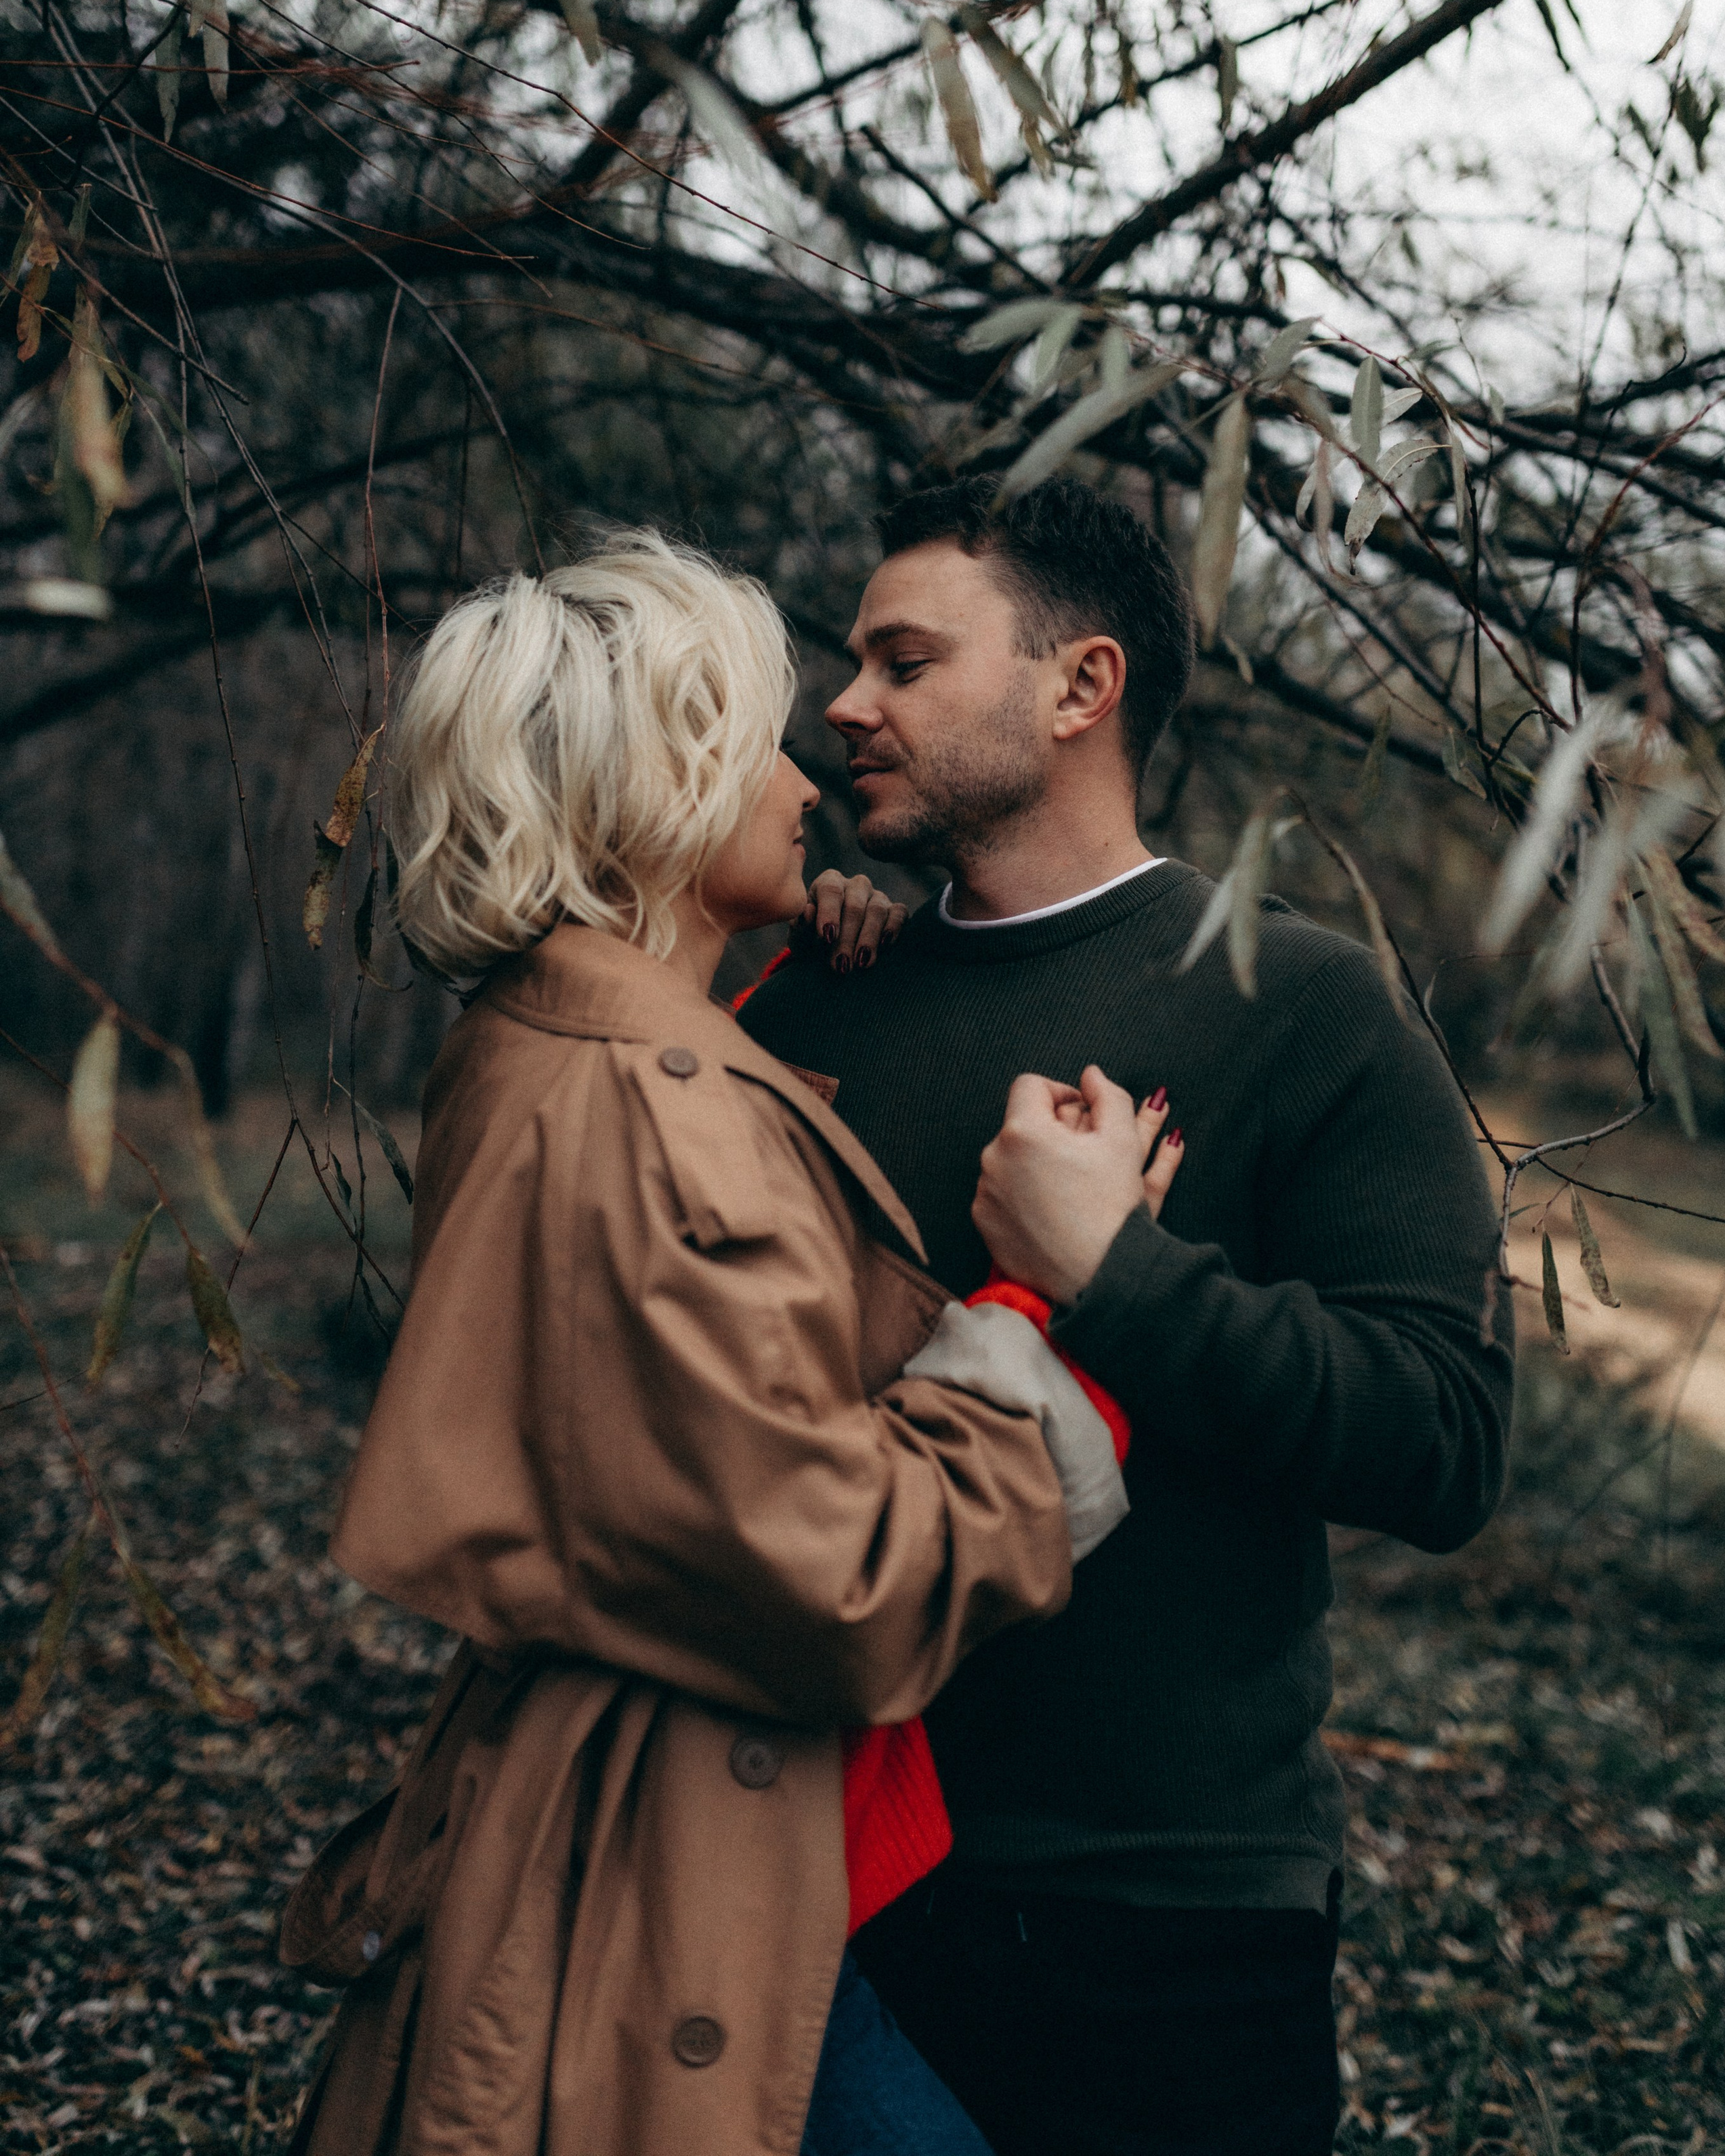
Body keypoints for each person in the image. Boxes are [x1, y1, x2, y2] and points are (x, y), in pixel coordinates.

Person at [277, 530, 1168, 2156]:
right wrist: (1041, 1300)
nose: (804, 766)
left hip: (643, 1818)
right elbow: (834, 1575)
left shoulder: (559, 1039)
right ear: (661, 785)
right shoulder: (643, 1103)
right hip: (667, 1839)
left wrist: (762, 989)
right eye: (752, 736)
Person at [738, 474, 1516, 2156]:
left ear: (1080, 688)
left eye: (901, 661)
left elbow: (1445, 1443)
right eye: (850, 663)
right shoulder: (800, 988)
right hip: (812, 1879)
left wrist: (1118, 1278)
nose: (843, 705)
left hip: (1168, 1919)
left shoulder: (1301, 1005)